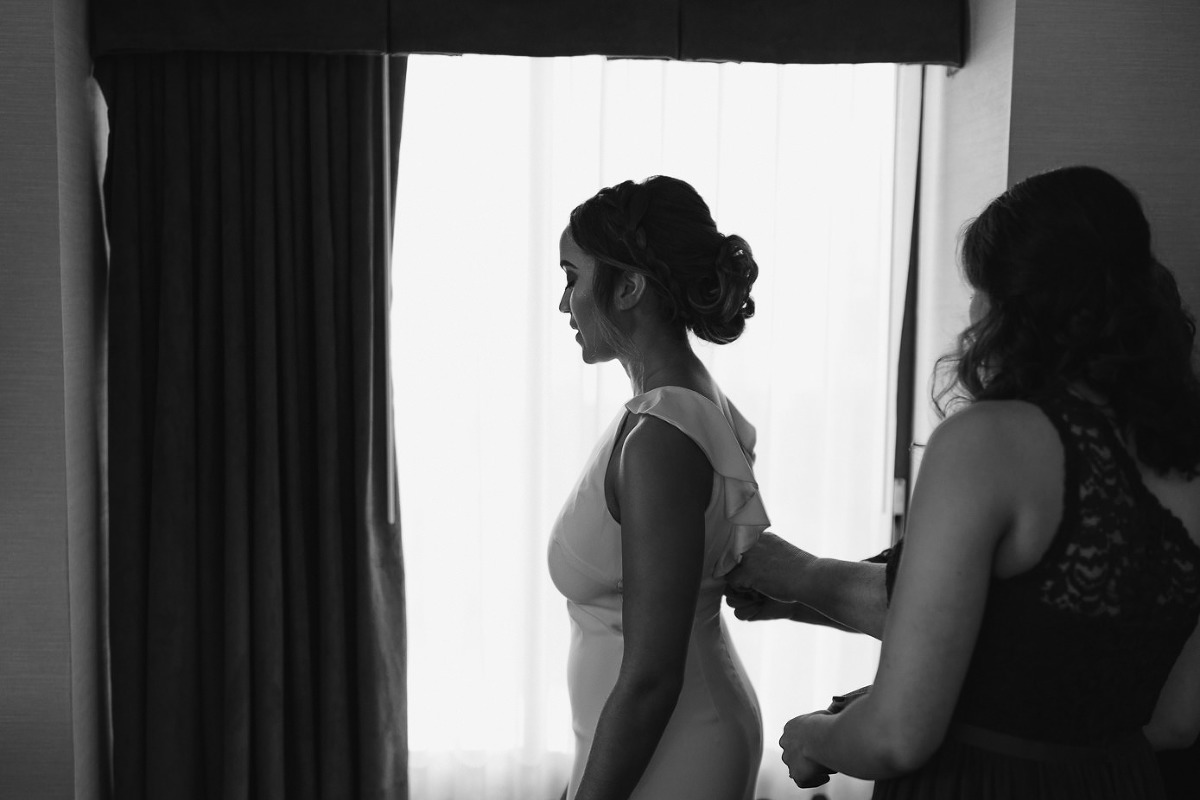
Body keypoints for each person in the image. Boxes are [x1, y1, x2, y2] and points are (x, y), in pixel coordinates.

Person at [727, 165, 1200, 798]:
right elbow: (1175, 721)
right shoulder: (1186, 460)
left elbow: (897, 735)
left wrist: (812, 734)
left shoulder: (988, 442)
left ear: (1009, 304)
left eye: (978, 291)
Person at [546, 175, 769, 800]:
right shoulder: (677, 407)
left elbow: (649, 677)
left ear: (629, 286)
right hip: (651, 739)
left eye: (571, 277)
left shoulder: (661, 436)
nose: (564, 304)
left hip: (672, 747)